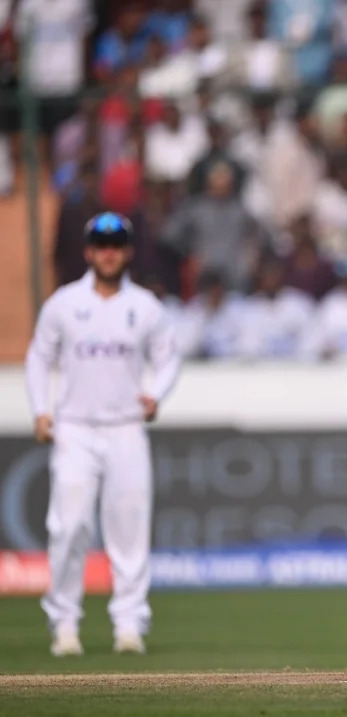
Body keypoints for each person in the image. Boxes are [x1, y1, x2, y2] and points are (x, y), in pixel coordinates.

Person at [24, 212, 181, 657]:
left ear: (127, 251)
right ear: (89, 251)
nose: (108, 252)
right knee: (69, 527)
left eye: (116, 244)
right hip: (74, 426)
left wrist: (155, 393)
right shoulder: (63, 304)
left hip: (126, 427)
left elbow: (169, 358)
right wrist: (40, 410)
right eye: (100, 244)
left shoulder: (145, 308)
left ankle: (129, 625)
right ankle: (65, 624)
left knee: (129, 530)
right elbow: (39, 358)